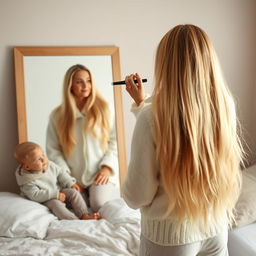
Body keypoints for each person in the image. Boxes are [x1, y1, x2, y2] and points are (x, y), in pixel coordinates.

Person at [122, 24, 244, 256]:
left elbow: (138, 195)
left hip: (170, 238)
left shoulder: (151, 118)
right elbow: (183, 123)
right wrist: (141, 103)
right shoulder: (224, 106)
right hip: (215, 228)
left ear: (166, 65)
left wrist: (125, 192)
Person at [46, 64, 119, 213]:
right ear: (70, 86)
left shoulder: (105, 108)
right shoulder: (57, 115)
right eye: (79, 81)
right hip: (72, 177)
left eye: (88, 80)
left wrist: (107, 168)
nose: (85, 85)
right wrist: (67, 178)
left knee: (98, 204)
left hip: (100, 175)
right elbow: (53, 150)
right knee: (79, 207)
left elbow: (115, 141)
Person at [14, 141, 101, 220]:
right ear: (27, 167)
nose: (44, 159)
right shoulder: (26, 179)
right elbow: (35, 195)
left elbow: (60, 173)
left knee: (73, 192)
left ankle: (84, 214)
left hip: (58, 191)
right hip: (44, 199)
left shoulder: (49, 165)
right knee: (56, 204)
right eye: (38, 159)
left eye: (43, 155)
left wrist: (70, 183)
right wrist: (55, 195)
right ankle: (72, 219)